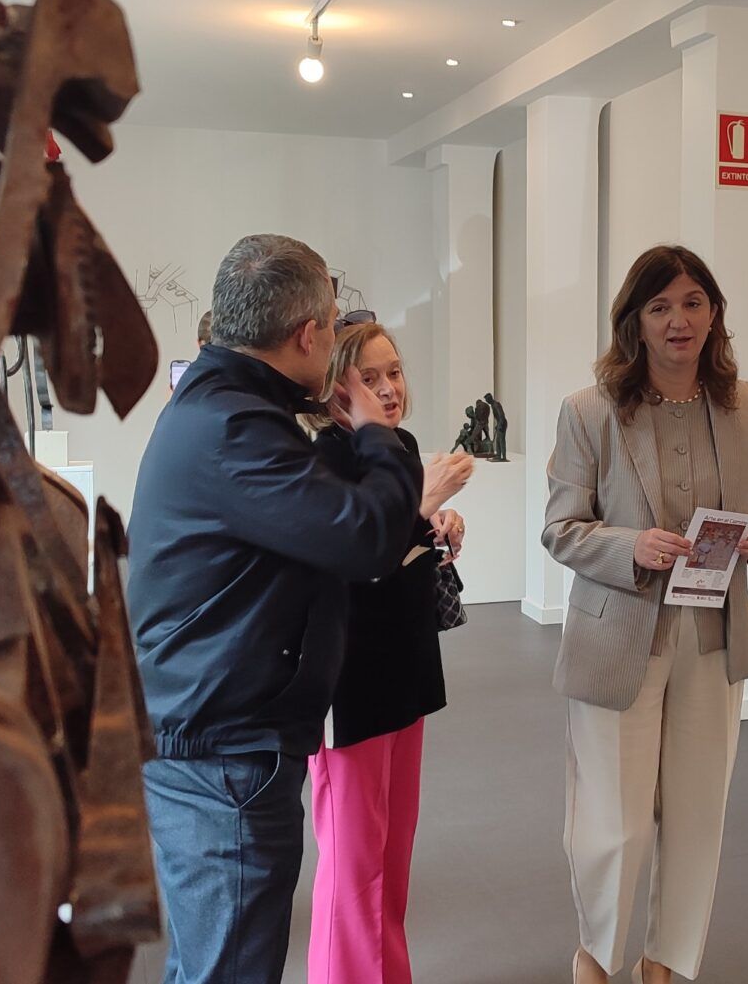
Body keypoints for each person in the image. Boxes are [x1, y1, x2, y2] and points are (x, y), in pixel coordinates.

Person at [126, 234, 422, 984]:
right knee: (225, 969)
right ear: (309, 334)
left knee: (213, 963)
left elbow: (310, 518)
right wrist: (383, 439)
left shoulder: (231, 409)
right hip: (221, 758)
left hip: (218, 738)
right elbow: (364, 538)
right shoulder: (234, 429)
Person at [543, 245, 748, 984]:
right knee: (613, 827)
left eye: (693, 302)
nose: (679, 319)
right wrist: (631, 546)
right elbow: (561, 528)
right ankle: (600, 958)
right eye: (660, 306)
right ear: (635, 323)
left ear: (714, 314)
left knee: (697, 819)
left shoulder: (741, 406)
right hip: (621, 640)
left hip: (711, 638)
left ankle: (666, 963)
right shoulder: (591, 412)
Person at [303, 321, 475, 984]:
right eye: (369, 377)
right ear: (336, 389)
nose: (388, 388)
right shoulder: (321, 461)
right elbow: (344, 564)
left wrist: (439, 527)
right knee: (354, 869)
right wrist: (419, 504)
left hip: (405, 670)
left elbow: (399, 549)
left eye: (394, 371)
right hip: (347, 685)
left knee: (389, 864)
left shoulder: (399, 449)